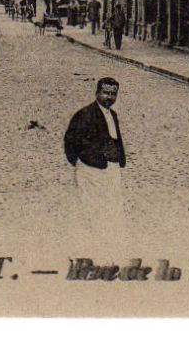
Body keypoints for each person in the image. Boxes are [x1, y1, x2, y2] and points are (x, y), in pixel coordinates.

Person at [63, 77, 127, 252]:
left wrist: (118, 159)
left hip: (111, 169)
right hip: (91, 170)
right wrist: (84, 162)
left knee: (111, 205)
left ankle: (108, 241)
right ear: (97, 93)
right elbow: (71, 142)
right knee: (90, 207)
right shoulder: (85, 114)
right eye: (106, 93)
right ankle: (89, 243)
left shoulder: (113, 114)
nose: (109, 97)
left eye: (113, 94)